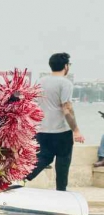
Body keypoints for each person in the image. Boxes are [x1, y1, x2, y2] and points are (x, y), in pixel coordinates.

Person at [28, 52, 84, 191]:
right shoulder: (65, 83)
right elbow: (67, 109)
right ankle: (61, 193)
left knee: (43, 159)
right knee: (63, 164)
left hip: (42, 130)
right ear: (66, 66)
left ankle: (21, 177)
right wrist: (76, 131)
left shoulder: (40, 82)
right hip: (61, 132)